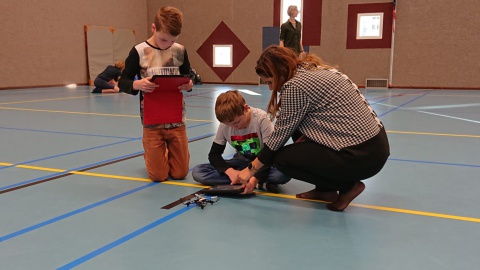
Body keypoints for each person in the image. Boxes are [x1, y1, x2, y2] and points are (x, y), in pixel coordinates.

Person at [235, 46, 390, 212]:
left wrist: (250, 170)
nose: (271, 89)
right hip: (375, 145)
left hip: (362, 154)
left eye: (270, 82)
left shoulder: (295, 86)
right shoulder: (309, 69)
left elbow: (278, 138)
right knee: (296, 129)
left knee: (281, 159)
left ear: (280, 72)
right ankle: (325, 190)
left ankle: (347, 186)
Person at [118, 6, 194, 182]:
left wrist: (188, 85)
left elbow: (188, 77)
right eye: (163, 39)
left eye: (172, 41)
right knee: (159, 176)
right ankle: (153, 155)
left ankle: (163, 155)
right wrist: (138, 84)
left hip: (176, 119)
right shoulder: (138, 51)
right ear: (153, 28)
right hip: (152, 121)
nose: (167, 45)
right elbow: (123, 81)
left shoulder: (180, 50)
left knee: (180, 174)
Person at [192, 90, 291, 193]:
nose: (235, 127)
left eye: (237, 122)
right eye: (229, 125)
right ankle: (253, 182)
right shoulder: (225, 125)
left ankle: (249, 181)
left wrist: (253, 179)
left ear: (246, 108)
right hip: (242, 162)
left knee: (282, 174)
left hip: (264, 162)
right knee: (198, 172)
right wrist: (231, 172)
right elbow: (214, 155)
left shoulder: (261, 119)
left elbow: (269, 153)